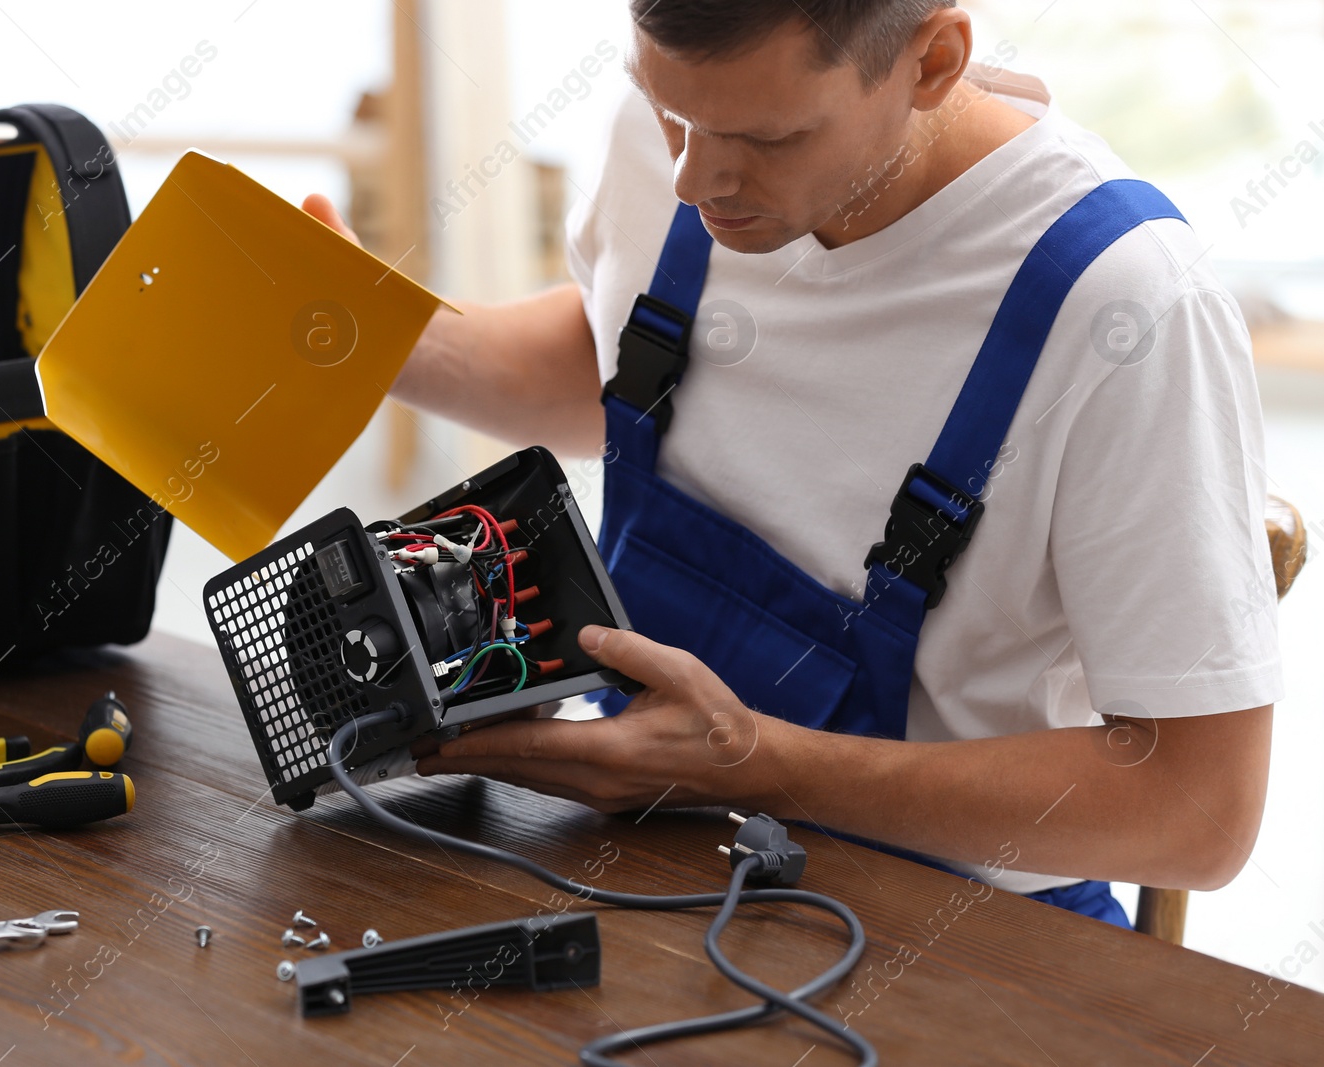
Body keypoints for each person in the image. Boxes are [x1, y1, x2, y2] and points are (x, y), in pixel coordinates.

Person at [302, 0, 1280, 926]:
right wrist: (376, 336)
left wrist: (753, 764)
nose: (693, 180)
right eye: (667, 109)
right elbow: (617, 357)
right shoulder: (696, 122)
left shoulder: (1128, 310)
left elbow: (1195, 809)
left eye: (768, 141)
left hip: (965, 934)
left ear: (931, 61)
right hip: (645, 854)